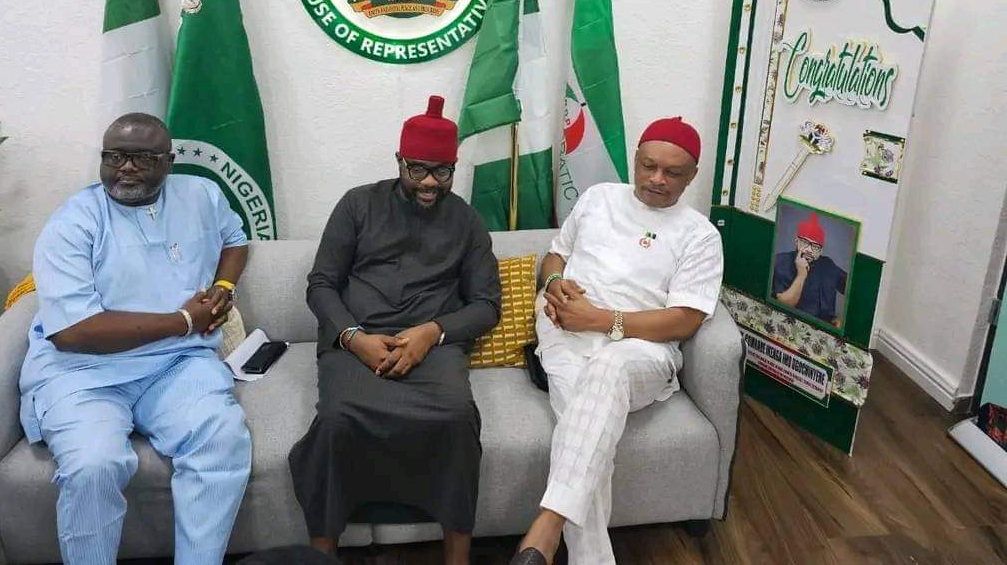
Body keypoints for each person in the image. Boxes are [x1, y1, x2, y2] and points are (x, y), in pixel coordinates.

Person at [17, 113, 252, 565]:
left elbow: (235, 240)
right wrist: (184, 319)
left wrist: (223, 289)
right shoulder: (71, 224)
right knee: (94, 465)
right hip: (83, 374)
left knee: (220, 437)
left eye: (141, 158)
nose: (125, 167)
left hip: (177, 364)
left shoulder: (201, 194)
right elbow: (71, 333)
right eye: (114, 156)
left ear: (169, 161)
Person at [289, 95, 501, 565]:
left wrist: (432, 333)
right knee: (337, 422)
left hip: (433, 348)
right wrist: (353, 337)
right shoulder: (358, 205)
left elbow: (487, 305)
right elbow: (321, 284)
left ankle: (457, 557)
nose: (429, 182)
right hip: (354, 341)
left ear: (454, 168)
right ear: (399, 162)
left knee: (457, 420)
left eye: (442, 171)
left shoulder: (466, 220)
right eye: (418, 169)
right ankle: (322, 554)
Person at [513, 117, 724, 565]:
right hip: (565, 334)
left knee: (605, 374)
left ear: (692, 176)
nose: (656, 180)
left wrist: (602, 321)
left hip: (640, 351)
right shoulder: (597, 198)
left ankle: (547, 524)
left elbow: (684, 320)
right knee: (587, 431)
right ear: (636, 159)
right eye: (648, 166)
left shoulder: (700, 235)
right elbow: (556, 254)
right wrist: (553, 283)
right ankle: (566, 549)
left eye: (673, 173)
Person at [771, 211, 847, 326]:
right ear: (796, 242)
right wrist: (801, 275)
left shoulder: (828, 265)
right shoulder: (780, 261)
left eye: (815, 247)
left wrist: (841, 320)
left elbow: (853, 289)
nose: (809, 250)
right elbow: (784, 306)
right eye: (805, 243)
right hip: (790, 324)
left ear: (821, 251)